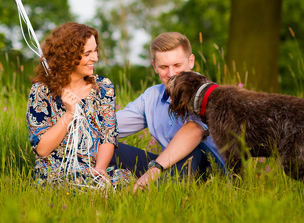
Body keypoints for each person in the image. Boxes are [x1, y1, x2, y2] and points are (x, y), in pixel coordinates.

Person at [113, 32, 226, 192]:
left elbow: (194, 131)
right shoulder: (151, 97)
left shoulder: (209, 93)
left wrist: (154, 169)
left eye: (177, 65)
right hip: (169, 166)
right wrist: (70, 120)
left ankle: (149, 193)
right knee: (106, 147)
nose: (171, 74)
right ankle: (108, 185)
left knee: (191, 148)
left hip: (210, 171)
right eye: (164, 67)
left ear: (191, 61)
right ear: (154, 67)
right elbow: (109, 126)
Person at [26, 22, 133, 189]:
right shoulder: (42, 91)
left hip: (93, 169)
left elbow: (108, 134)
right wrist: (69, 113)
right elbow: (42, 150)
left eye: (95, 50)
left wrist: (100, 170)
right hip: (56, 172)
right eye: (87, 53)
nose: (95, 58)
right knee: (74, 185)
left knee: (126, 179)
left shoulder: (103, 87)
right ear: (67, 55)